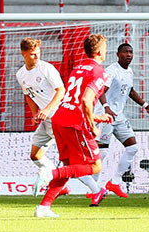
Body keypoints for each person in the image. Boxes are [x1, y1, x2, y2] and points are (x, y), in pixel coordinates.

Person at [35, 33, 113, 218]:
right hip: (75, 125)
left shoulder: (78, 68)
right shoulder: (100, 72)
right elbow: (86, 100)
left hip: (59, 119)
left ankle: (44, 207)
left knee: (68, 167)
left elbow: (74, 101)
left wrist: (98, 117)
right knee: (95, 166)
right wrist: (92, 124)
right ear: (101, 52)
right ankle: (49, 174)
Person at [15, 37, 99, 200]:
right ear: (23, 54)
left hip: (59, 117)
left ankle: (96, 190)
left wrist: (46, 110)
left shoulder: (46, 69)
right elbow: (29, 95)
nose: (37, 57)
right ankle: (60, 184)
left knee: (70, 163)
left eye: (38, 53)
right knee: (36, 155)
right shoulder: (21, 74)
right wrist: (35, 114)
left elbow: (61, 91)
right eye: (32, 54)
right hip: (47, 119)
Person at [93, 42, 149, 201]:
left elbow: (129, 90)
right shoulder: (111, 71)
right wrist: (106, 108)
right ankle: (93, 188)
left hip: (119, 116)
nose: (128, 55)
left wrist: (146, 106)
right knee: (102, 152)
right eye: (125, 52)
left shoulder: (129, 71)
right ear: (118, 54)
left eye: (130, 52)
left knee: (132, 147)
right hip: (105, 115)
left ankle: (114, 182)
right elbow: (101, 90)